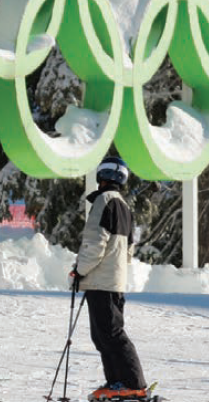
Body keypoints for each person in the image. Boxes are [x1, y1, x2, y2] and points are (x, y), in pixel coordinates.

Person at [72, 155, 148, 402]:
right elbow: (128, 250)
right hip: (112, 281)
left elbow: (95, 243)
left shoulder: (104, 201)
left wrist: (81, 270)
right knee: (104, 335)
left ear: (101, 176)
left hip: (101, 281)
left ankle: (132, 383)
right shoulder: (123, 206)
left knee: (111, 334)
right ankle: (117, 381)